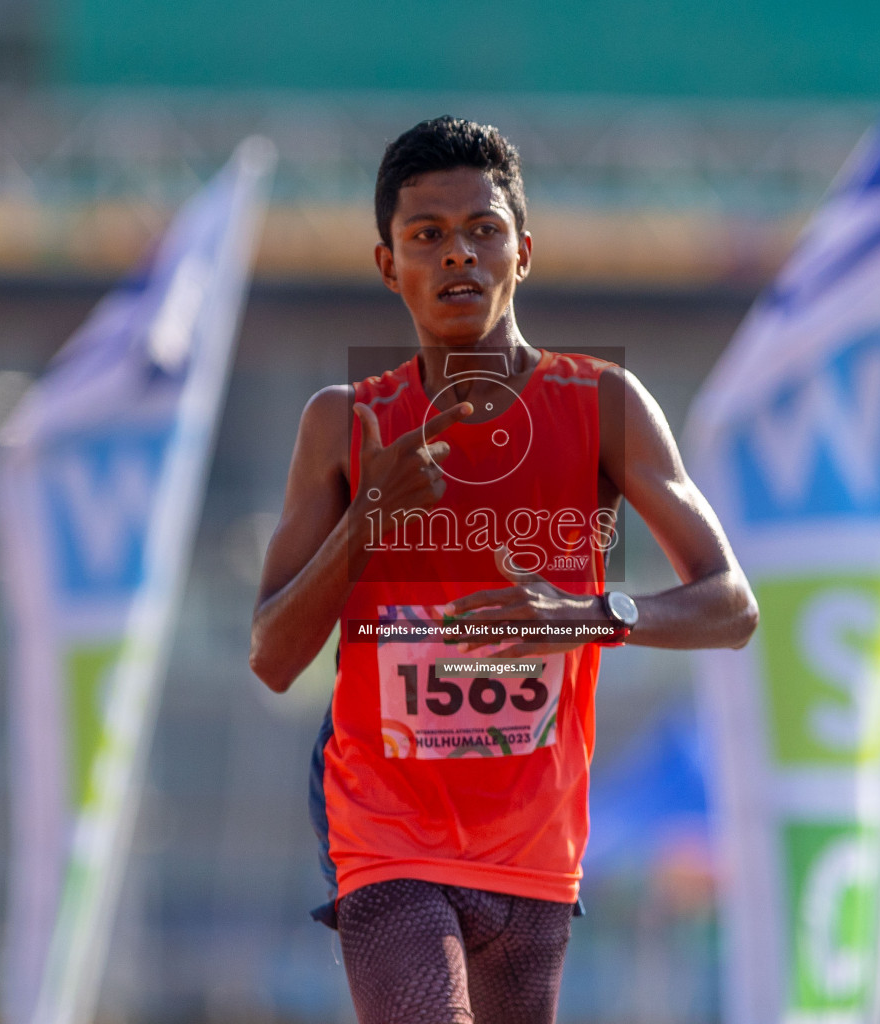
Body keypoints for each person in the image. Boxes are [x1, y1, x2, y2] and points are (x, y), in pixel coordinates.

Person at [250, 116, 757, 1024]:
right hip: (387, 834)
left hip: (536, 848)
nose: (459, 256)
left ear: (523, 253)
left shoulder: (602, 404)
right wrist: (372, 518)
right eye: (427, 236)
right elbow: (272, 655)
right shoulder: (345, 423)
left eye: (483, 231)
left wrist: (585, 615)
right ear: (388, 265)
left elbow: (732, 606)